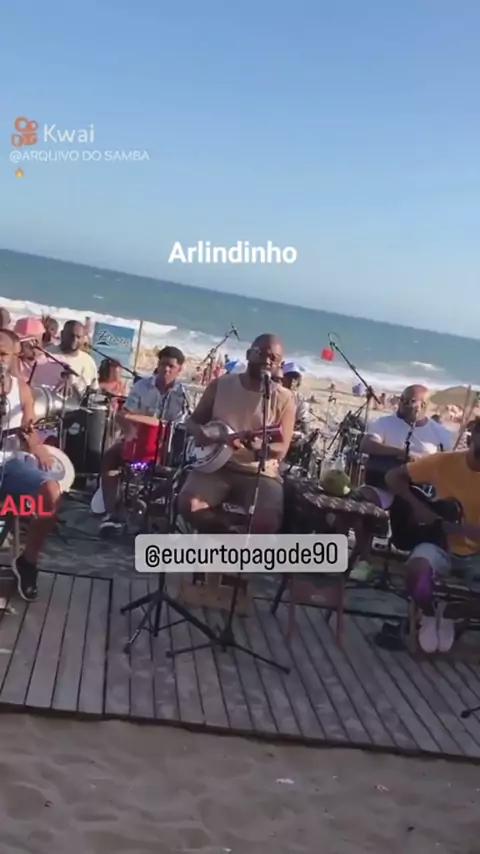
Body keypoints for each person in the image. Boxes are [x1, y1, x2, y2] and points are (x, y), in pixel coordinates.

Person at [178, 334, 295, 534]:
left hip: (259, 473)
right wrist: (201, 433)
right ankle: (223, 535)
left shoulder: (284, 399)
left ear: (279, 364)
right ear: (249, 354)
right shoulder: (221, 385)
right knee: (190, 504)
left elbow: (282, 449)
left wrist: (261, 449)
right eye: (261, 353)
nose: (267, 361)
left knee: (267, 522)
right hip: (216, 467)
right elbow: (193, 422)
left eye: (273, 358)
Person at [385, 419, 480, 653]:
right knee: (416, 572)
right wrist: (417, 506)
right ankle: (428, 613)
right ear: (472, 438)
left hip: (475, 554)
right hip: (438, 544)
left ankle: (450, 614)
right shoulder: (444, 461)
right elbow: (392, 477)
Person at [351, 385, 454, 577]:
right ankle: (364, 559)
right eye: (402, 399)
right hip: (382, 486)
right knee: (362, 499)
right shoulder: (385, 422)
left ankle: (421, 561)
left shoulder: (440, 434)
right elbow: (366, 445)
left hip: (417, 491)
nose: (403, 404)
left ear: (423, 405)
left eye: (409, 401)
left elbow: (446, 466)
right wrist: (399, 453)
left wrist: (421, 464)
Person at [99, 345, 188, 531]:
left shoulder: (183, 395)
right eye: (163, 364)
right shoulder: (142, 386)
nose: (166, 369)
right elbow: (123, 414)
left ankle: (145, 501)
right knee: (110, 457)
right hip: (138, 442)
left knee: (183, 472)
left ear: (179, 369)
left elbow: (180, 426)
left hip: (166, 447)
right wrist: (128, 429)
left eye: (171, 366)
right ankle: (112, 512)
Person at [0, 331, 61, 601]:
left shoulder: (22, 389)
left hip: (11, 463)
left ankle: (28, 562)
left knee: (51, 492)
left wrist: (34, 444)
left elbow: (30, 429)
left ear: (14, 356)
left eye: (2, 354)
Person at [49, 321, 98, 392]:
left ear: (83, 339)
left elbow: (94, 389)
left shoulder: (89, 362)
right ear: (62, 334)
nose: (74, 340)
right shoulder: (47, 354)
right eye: (71, 336)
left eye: (78, 337)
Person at [281, 362, 311, 434]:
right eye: (289, 378)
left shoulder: (301, 400)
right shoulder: (273, 396)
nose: (292, 382)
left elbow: (304, 428)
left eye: (295, 379)